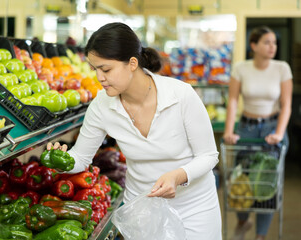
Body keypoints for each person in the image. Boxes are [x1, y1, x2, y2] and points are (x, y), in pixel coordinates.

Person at [48, 22, 222, 240]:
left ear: (132, 63)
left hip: (194, 209)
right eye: (95, 69)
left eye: (106, 69)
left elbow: (208, 155)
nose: (99, 78)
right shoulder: (102, 105)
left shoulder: (181, 95)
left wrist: (178, 176)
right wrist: (60, 159)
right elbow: (81, 157)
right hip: (142, 210)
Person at [223, 26, 293, 240]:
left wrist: (279, 133)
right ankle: (243, 221)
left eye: (274, 42)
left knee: (266, 182)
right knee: (241, 179)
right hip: (246, 129)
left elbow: (286, 103)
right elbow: (233, 100)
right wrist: (228, 130)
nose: (273, 46)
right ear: (253, 45)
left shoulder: (282, 68)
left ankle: (260, 236)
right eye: (267, 42)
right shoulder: (241, 68)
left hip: (272, 128)